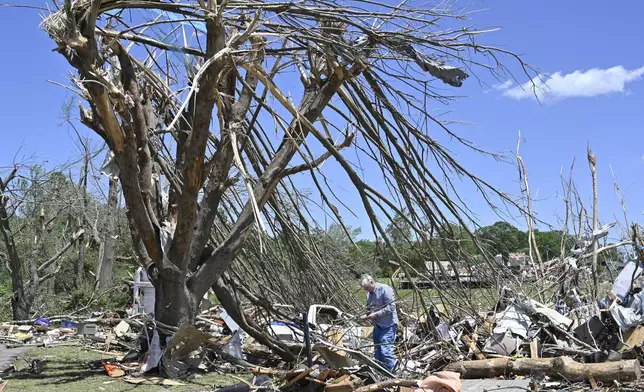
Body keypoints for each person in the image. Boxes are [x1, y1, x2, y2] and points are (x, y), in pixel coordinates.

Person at [360, 274, 398, 371]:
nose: (367, 290)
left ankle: (392, 373)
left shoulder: (385, 289)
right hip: (377, 326)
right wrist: (366, 315)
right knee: (377, 351)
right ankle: (380, 371)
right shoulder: (369, 293)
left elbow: (391, 307)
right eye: (365, 289)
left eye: (368, 288)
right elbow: (369, 308)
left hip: (388, 325)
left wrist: (377, 314)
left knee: (385, 350)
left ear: (372, 282)